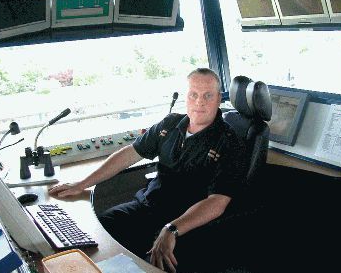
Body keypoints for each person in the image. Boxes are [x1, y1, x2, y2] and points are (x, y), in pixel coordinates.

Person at [49, 68, 248, 273]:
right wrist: (82, 184)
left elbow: (217, 203)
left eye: (208, 95)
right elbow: (130, 154)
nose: (200, 102)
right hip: (147, 208)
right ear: (186, 97)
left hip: (186, 224)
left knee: (150, 265)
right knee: (97, 232)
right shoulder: (170, 124)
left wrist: (172, 229)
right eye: (193, 95)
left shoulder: (229, 142)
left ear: (218, 99)